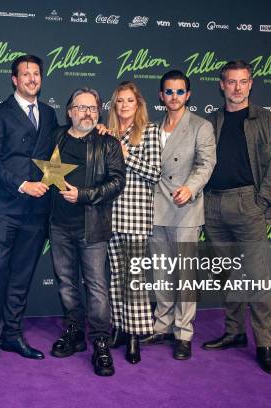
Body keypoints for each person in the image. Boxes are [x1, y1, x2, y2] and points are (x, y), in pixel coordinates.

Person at [201, 60, 271, 375]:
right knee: (226, 275)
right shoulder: (211, 122)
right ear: (221, 84)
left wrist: (261, 203)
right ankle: (234, 332)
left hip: (247, 204)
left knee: (256, 277)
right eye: (230, 82)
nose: (236, 88)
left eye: (242, 82)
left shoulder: (265, 120)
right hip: (213, 205)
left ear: (250, 84)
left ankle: (265, 343)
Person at [0, 55, 59, 373]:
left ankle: (13, 334)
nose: (31, 78)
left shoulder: (50, 114)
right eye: (25, 74)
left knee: (22, 278)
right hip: (4, 209)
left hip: (37, 211)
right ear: (14, 79)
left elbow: (56, 154)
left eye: (36, 73)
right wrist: (24, 185)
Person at [49, 87, 125, 376]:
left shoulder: (108, 143)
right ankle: (75, 332)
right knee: (67, 284)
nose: (87, 113)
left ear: (99, 112)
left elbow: (117, 183)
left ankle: (101, 342)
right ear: (69, 112)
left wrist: (83, 194)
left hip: (92, 227)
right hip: (59, 226)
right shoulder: (55, 137)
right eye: (81, 107)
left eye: (92, 108)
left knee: (96, 288)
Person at [141, 70, 216, 361]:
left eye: (180, 91)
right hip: (156, 210)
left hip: (185, 209)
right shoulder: (151, 128)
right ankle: (162, 325)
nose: (174, 97)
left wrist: (191, 187)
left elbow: (206, 164)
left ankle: (183, 332)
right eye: (169, 92)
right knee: (161, 274)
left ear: (188, 95)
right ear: (161, 96)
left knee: (185, 276)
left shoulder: (201, 126)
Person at [105, 81, 161, 364]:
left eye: (129, 101)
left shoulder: (150, 132)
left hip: (137, 215)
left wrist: (127, 156)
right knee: (116, 275)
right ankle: (118, 327)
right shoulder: (108, 133)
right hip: (110, 215)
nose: (124, 106)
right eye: (119, 101)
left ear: (138, 104)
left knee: (134, 280)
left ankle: (136, 335)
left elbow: (155, 173)